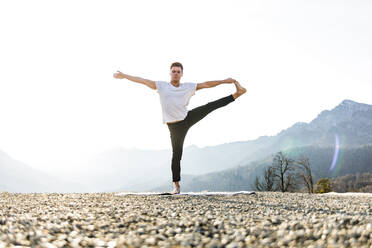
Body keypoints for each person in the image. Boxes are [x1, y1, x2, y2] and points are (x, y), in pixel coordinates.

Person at [113, 62, 246, 194]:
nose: (176, 73)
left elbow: (206, 84)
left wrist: (224, 81)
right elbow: (142, 80)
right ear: (170, 73)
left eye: (178, 71)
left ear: (182, 74)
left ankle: (238, 93)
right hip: (175, 128)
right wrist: (124, 76)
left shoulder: (188, 87)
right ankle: (176, 186)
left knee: (210, 106)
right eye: (173, 71)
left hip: (187, 118)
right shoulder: (161, 86)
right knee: (177, 155)